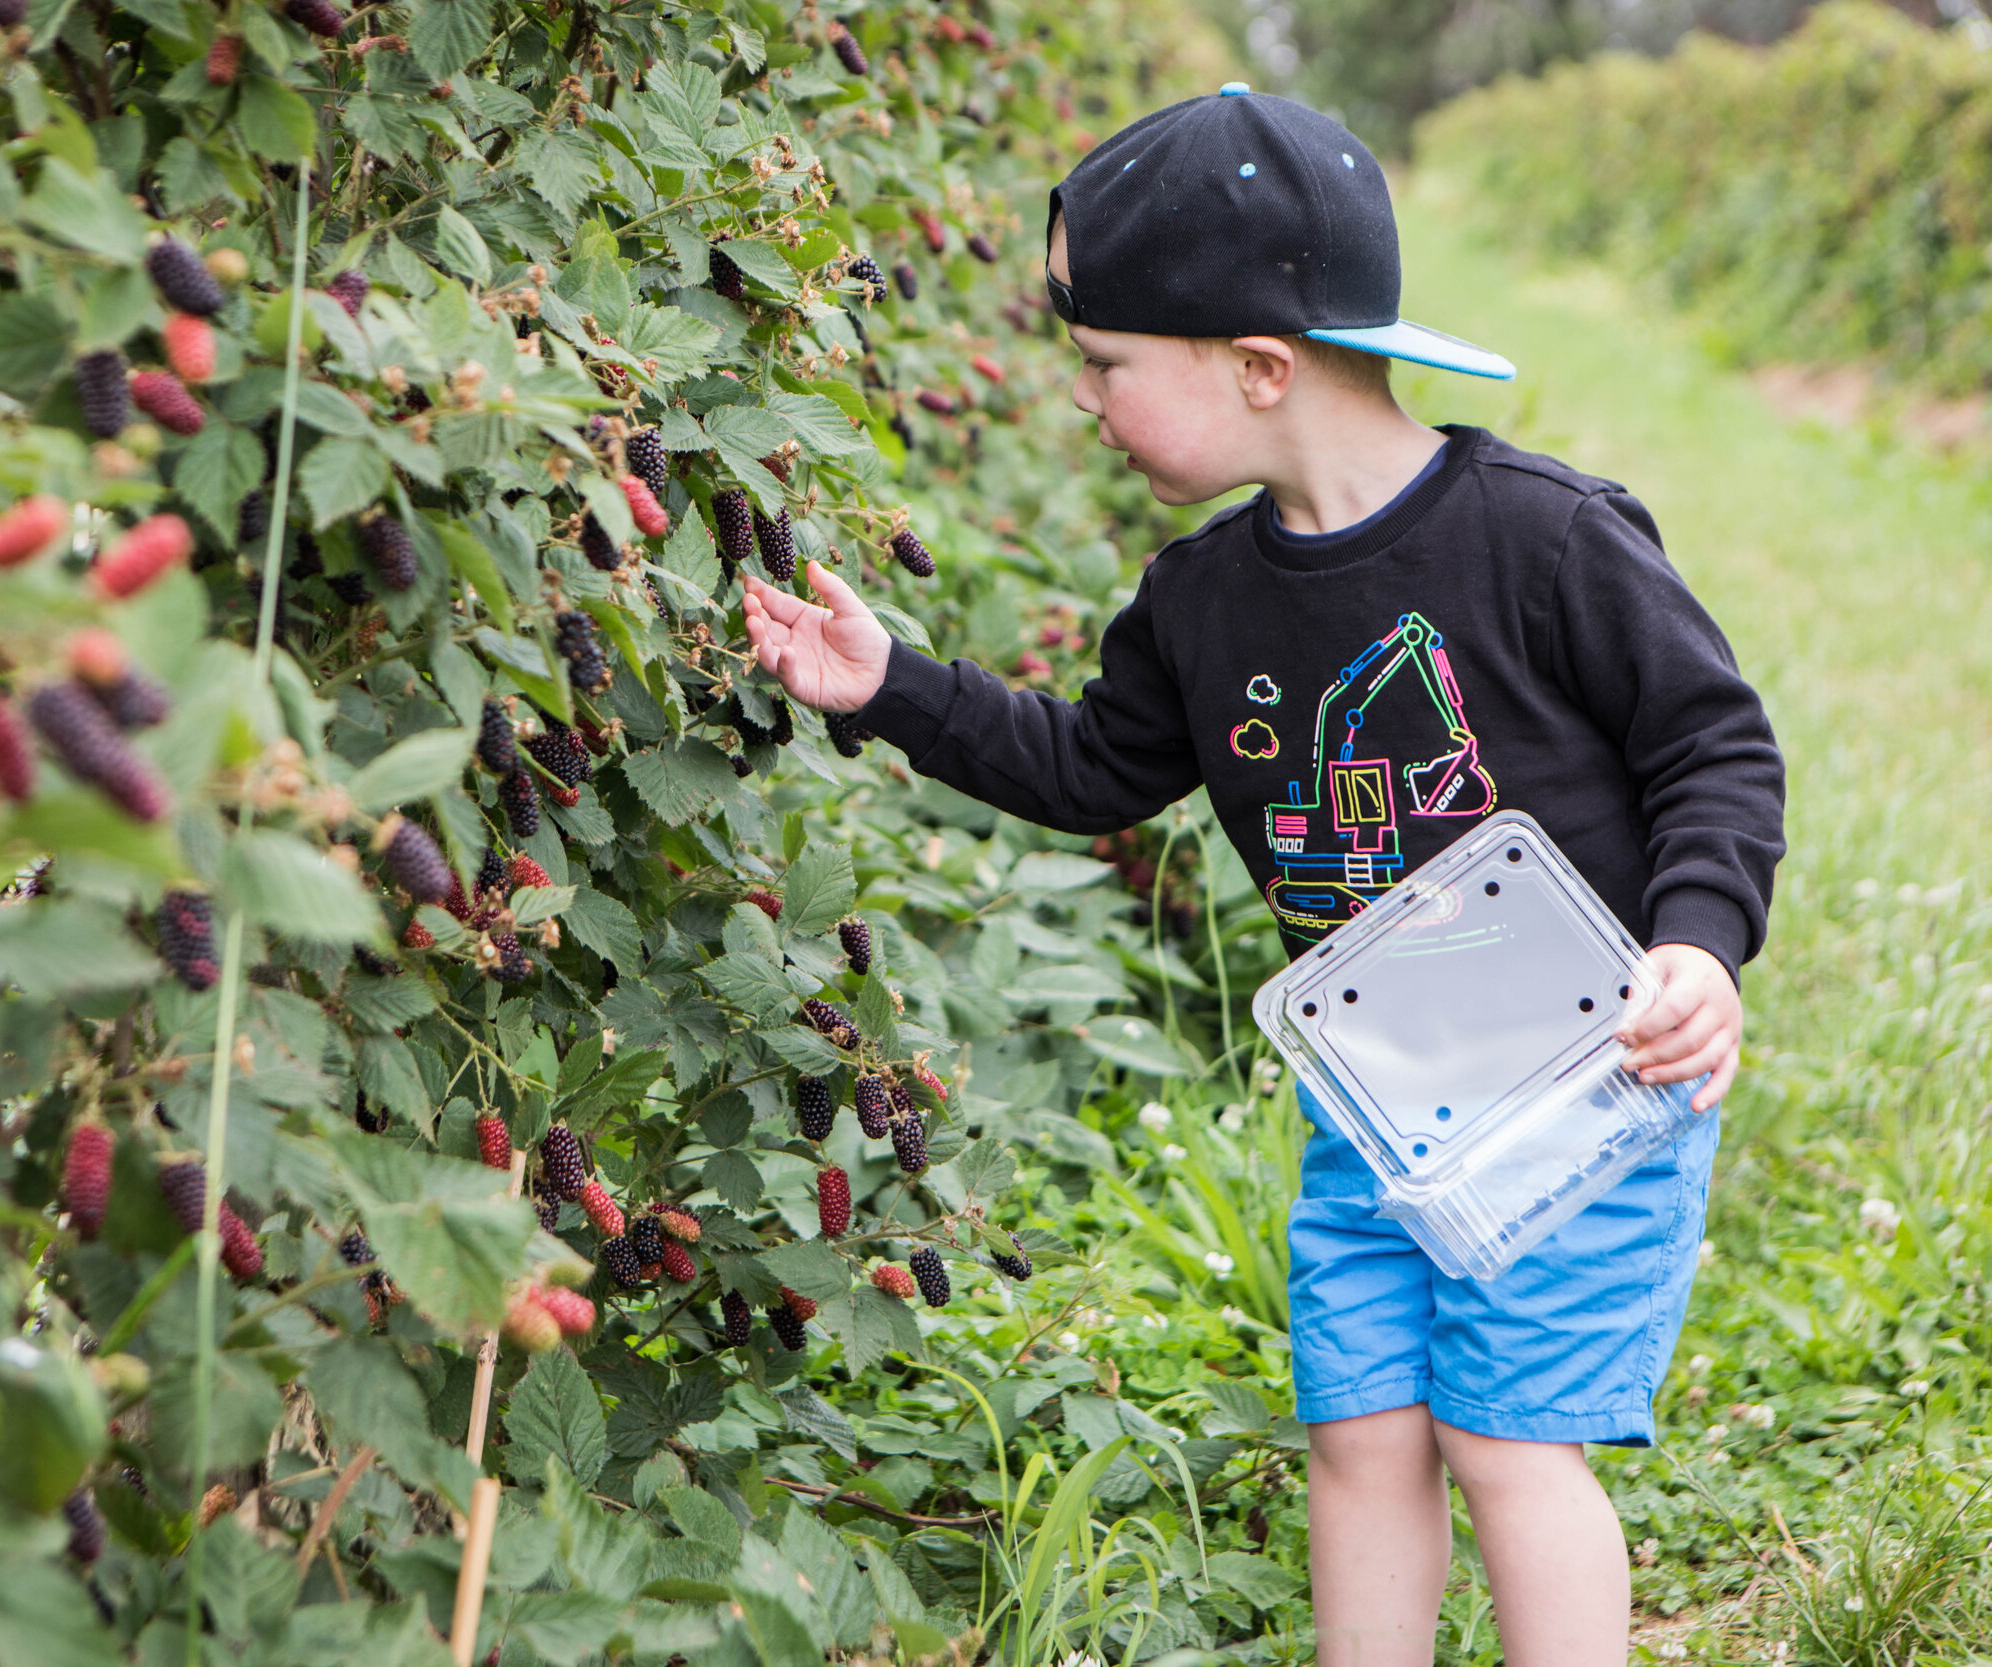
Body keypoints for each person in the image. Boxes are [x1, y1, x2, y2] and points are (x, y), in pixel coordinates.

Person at [743, 85, 1785, 1667]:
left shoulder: (1546, 541)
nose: (1085, 401)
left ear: (1257, 366)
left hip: (1584, 1088)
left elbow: (1714, 748)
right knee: (1361, 1432)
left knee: (1509, 1444)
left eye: (1106, 366)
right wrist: (891, 681)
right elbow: (1089, 766)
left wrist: (1701, 946)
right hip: (1377, 1102)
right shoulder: (1199, 600)